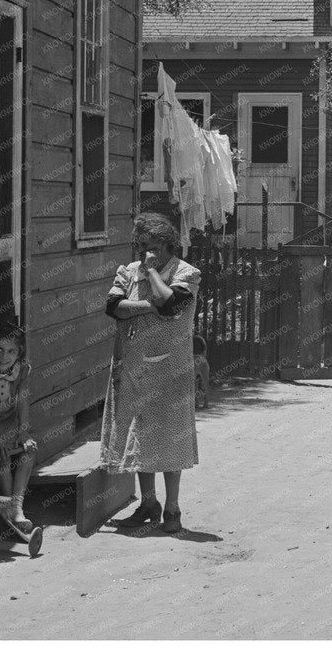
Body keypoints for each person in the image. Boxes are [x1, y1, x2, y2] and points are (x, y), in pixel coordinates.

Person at [101, 211, 201, 534]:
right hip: (136, 369)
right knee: (139, 438)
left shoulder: (187, 274)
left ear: (170, 246)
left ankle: (172, 508)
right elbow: (114, 307)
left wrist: (153, 273)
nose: (147, 253)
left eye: (155, 246)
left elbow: (169, 303)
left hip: (172, 371)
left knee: (170, 440)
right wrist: (147, 307)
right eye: (143, 246)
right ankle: (148, 503)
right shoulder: (128, 273)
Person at [0, 322, 37, 529]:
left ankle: (17, 506)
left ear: (19, 353)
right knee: (2, 454)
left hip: (10, 425)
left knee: (30, 449)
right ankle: (8, 507)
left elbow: (22, 401)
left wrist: (23, 432)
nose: (4, 357)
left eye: (11, 351)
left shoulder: (21, 371)